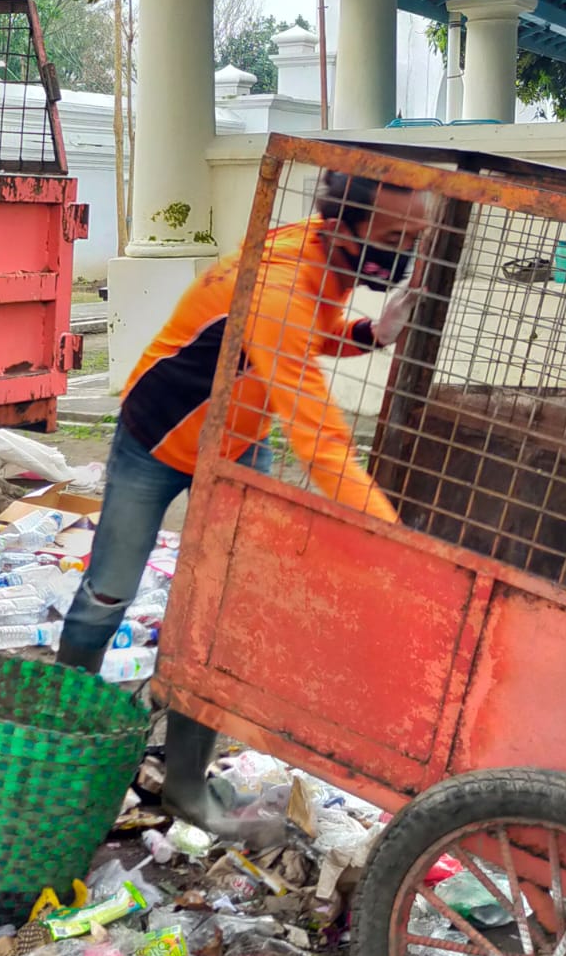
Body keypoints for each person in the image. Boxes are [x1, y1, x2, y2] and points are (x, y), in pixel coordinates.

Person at [55, 171, 430, 828]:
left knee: (216, 620)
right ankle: (59, 736)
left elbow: (300, 336)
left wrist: (370, 333)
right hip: (158, 438)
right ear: (346, 224)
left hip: (238, 447)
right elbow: (320, 438)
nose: (406, 254)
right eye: (397, 237)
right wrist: (394, 542)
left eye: (417, 238)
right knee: (108, 591)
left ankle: (187, 786)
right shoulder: (284, 277)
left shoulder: (325, 260)